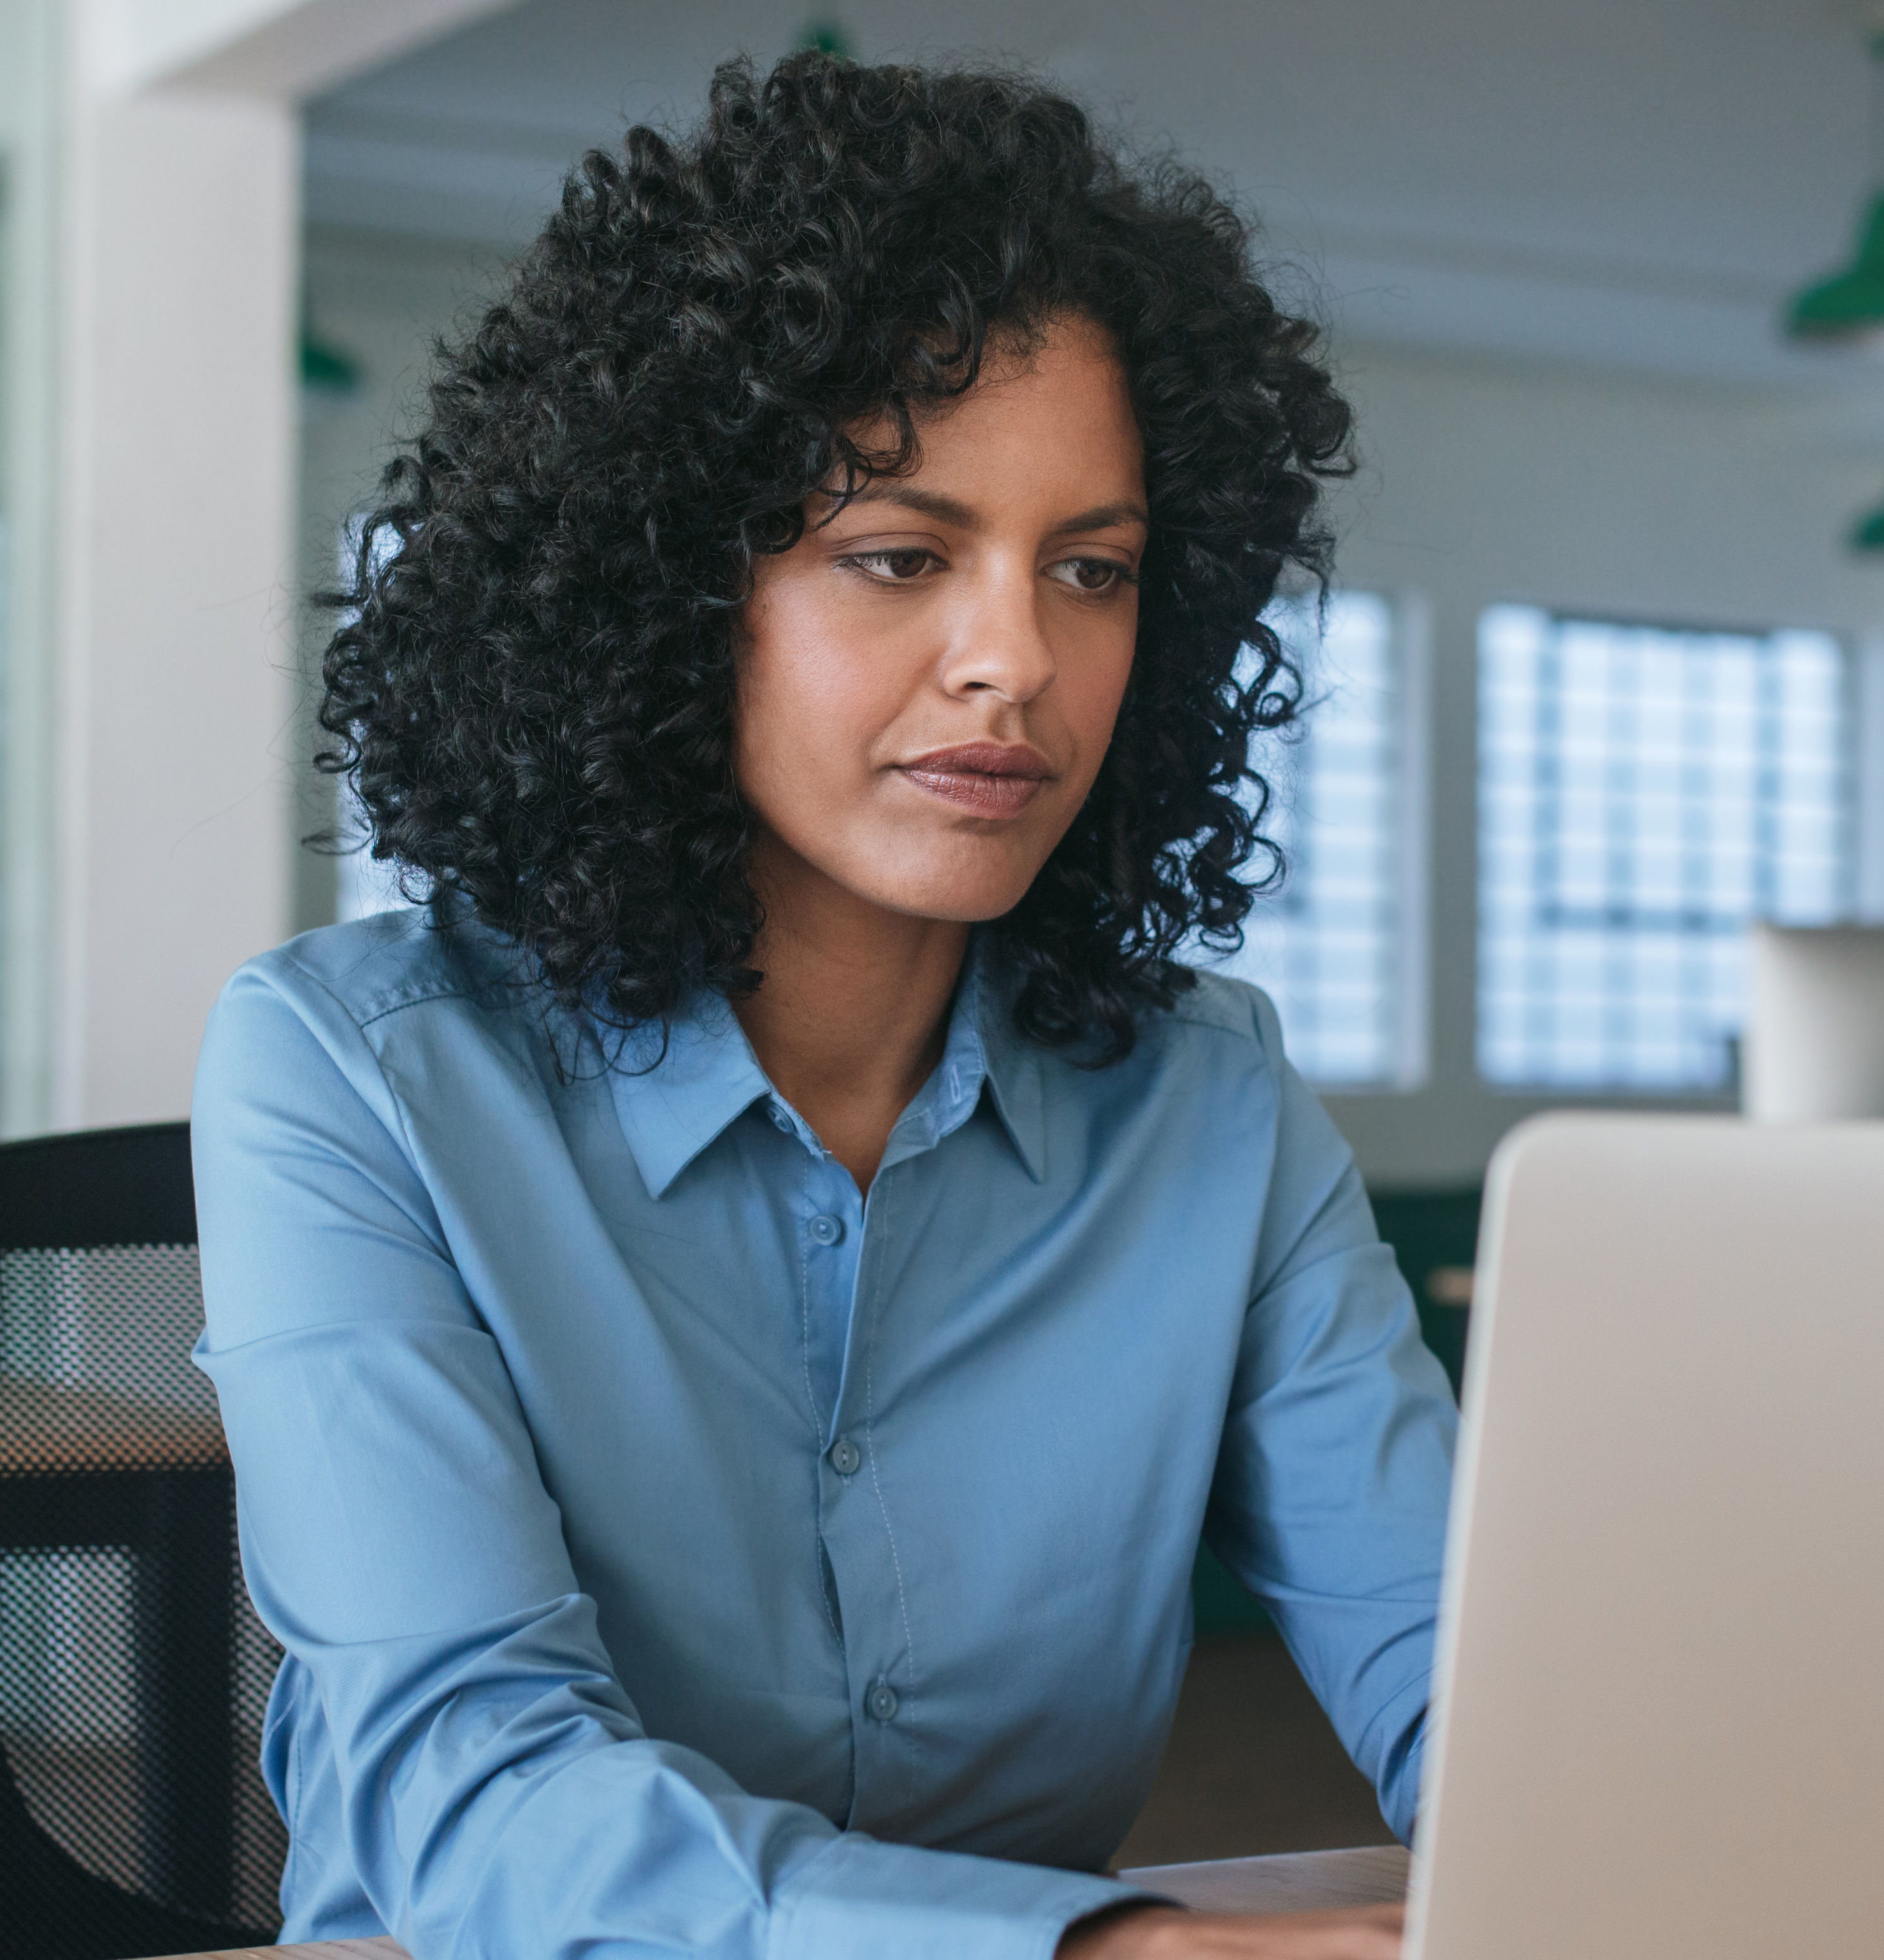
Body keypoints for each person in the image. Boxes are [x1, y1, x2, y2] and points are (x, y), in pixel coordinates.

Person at [192, 52, 1451, 1960]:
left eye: (1093, 573)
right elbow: (474, 1798)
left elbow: (1472, 1673)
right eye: (899, 557)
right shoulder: (350, 1076)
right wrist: (1102, 1949)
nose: (1017, 662)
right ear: (670, 589)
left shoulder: (1216, 1111)